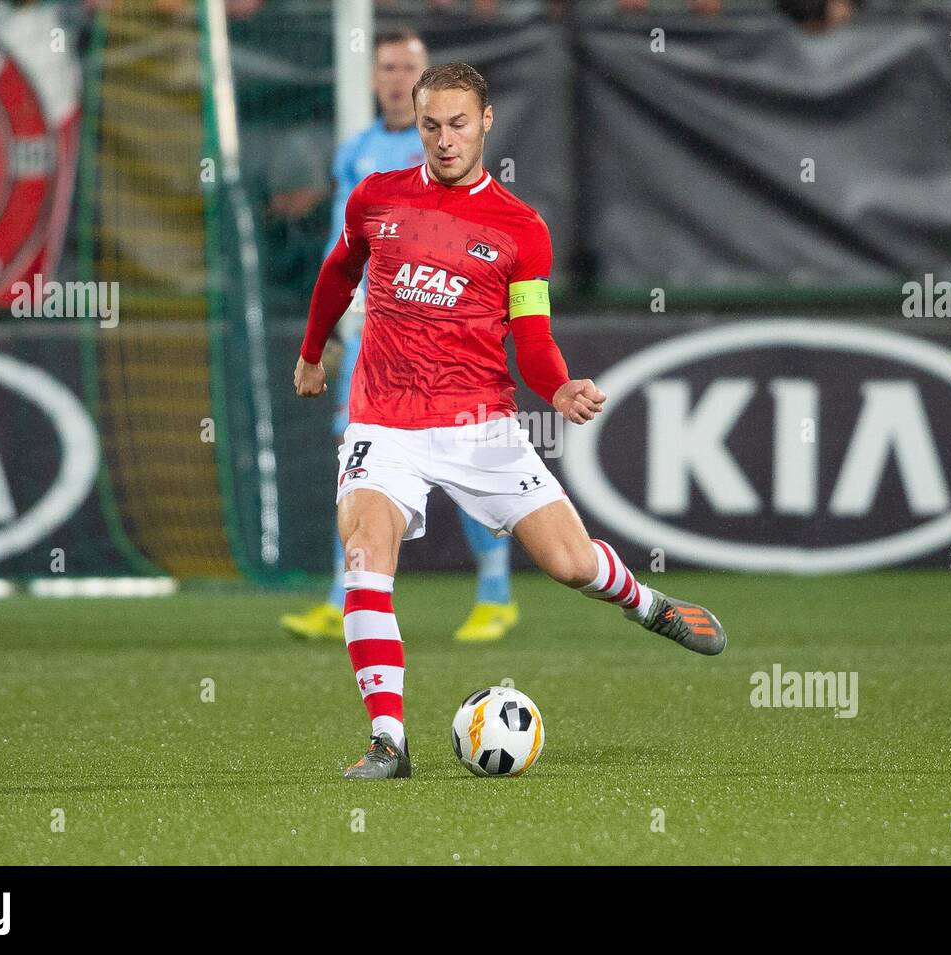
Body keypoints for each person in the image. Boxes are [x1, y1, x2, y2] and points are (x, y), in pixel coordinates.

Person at [294, 62, 727, 780]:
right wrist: (313, 352)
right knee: (366, 555)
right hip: (386, 419)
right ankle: (388, 740)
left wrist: (557, 387)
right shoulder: (376, 199)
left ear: (486, 121)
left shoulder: (521, 229)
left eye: (458, 123)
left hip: (480, 424)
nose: (444, 139)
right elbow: (340, 272)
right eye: (430, 124)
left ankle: (646, 602)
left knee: (570, 563)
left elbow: (531, 337)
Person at [280, 30, 522, 645]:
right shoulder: (355, 153)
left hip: (440, 329)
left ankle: (495, 593)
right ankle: (343, 597)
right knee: (356, 465)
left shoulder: (440, 152)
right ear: (373, 78)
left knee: (469, 463)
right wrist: (331, 330)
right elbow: (344, 251)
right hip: (370, 334)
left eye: (407, 68)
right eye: (386, 67)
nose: (394, 78)